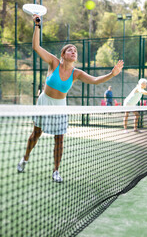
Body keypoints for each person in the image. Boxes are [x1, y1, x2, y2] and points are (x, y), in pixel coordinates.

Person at [17, 14, 124, 182]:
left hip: (61, 106)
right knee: (36, 134)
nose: (73, 52)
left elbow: (95, 81)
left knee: (59, 138)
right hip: (44, 102)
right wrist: (37, 25)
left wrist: (112, 73)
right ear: (63, 54)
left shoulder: (77, 73)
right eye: (70, 50)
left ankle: (56, 171)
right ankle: (25, 158)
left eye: (75, 51)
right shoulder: (53, 62)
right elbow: (36, 46)